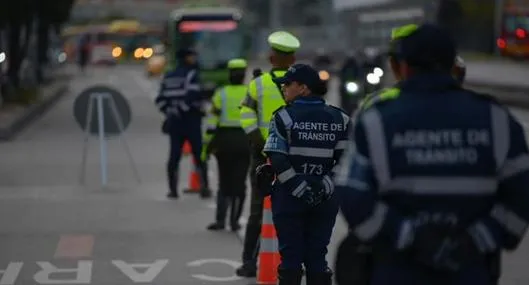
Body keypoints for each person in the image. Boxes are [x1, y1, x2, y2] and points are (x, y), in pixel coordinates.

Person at [334, 23, 529, 285]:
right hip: (471, 271)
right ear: (453, 66)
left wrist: (408, 236)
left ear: (401, 67)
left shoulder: (377, 120)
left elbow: (353, 196)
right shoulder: (496, 119)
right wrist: (475, 240)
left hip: (397, 271)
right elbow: (521, 197)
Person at [261, 63, 350, 285]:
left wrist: (300, 190)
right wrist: (323, 187)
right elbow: (347, 162)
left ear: (303, 88)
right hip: (325, 199)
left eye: (287, 85)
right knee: (317, 257)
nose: (284, 89)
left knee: (290, 259)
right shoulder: (341, 119)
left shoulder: (283, 117)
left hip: (289, 197)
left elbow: (278, 158)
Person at [236, 30, 300, 277]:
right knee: (293, 211)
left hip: (262, 157)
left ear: (272, 58)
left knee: (257, 211)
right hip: (295, 159)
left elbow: (246, 115)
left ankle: (249, 263)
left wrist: (259, 141)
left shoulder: (258, 84)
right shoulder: (302, 85)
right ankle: (292, 264)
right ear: (293, 58)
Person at [155, 48, 211, 199]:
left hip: (174, 122)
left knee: (174, 156)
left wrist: (170, 112)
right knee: (199, 154)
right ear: (186, 58)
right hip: (191, 120)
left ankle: (172, 190)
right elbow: (193, 96)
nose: (195, 59)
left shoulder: (168, 76)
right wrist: (182, 109)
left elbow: (160, 100)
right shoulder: (192, 75)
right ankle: (204, 187)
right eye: (192, 56)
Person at [203, 58, 251, 231]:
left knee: (224, 183)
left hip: (224, 142)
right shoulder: (250, 93)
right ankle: (234, 221)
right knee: (240, 183)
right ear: (244, 74)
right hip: (245, 142)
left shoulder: (220, 93)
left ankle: (220, 220)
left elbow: (211, 124)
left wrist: (206, 148)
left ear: (229, 74)